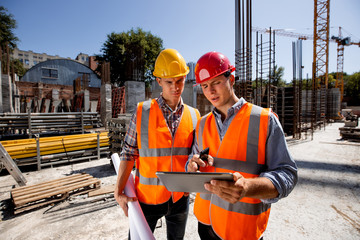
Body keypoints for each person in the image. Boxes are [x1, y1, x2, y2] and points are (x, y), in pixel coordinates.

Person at [186, 51, 298, 240]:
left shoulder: (264, 120)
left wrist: (248, 187)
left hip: (242, 229)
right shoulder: (202, 123)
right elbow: (194, 157)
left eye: (216, 82)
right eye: (205, 86)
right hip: (206, 223)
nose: (210, 91)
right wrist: (192, 164)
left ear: (232, 79)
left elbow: (287, 173)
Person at [114, 48, 200, 240]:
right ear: (159, 81)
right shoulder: (142, 111)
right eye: (169, 82)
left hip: (179, 200)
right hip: (146, 199)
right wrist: (118, 191)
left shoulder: (194, 116)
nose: (175, 87)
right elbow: (128, 153)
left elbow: (194, 156)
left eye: (179, 80)